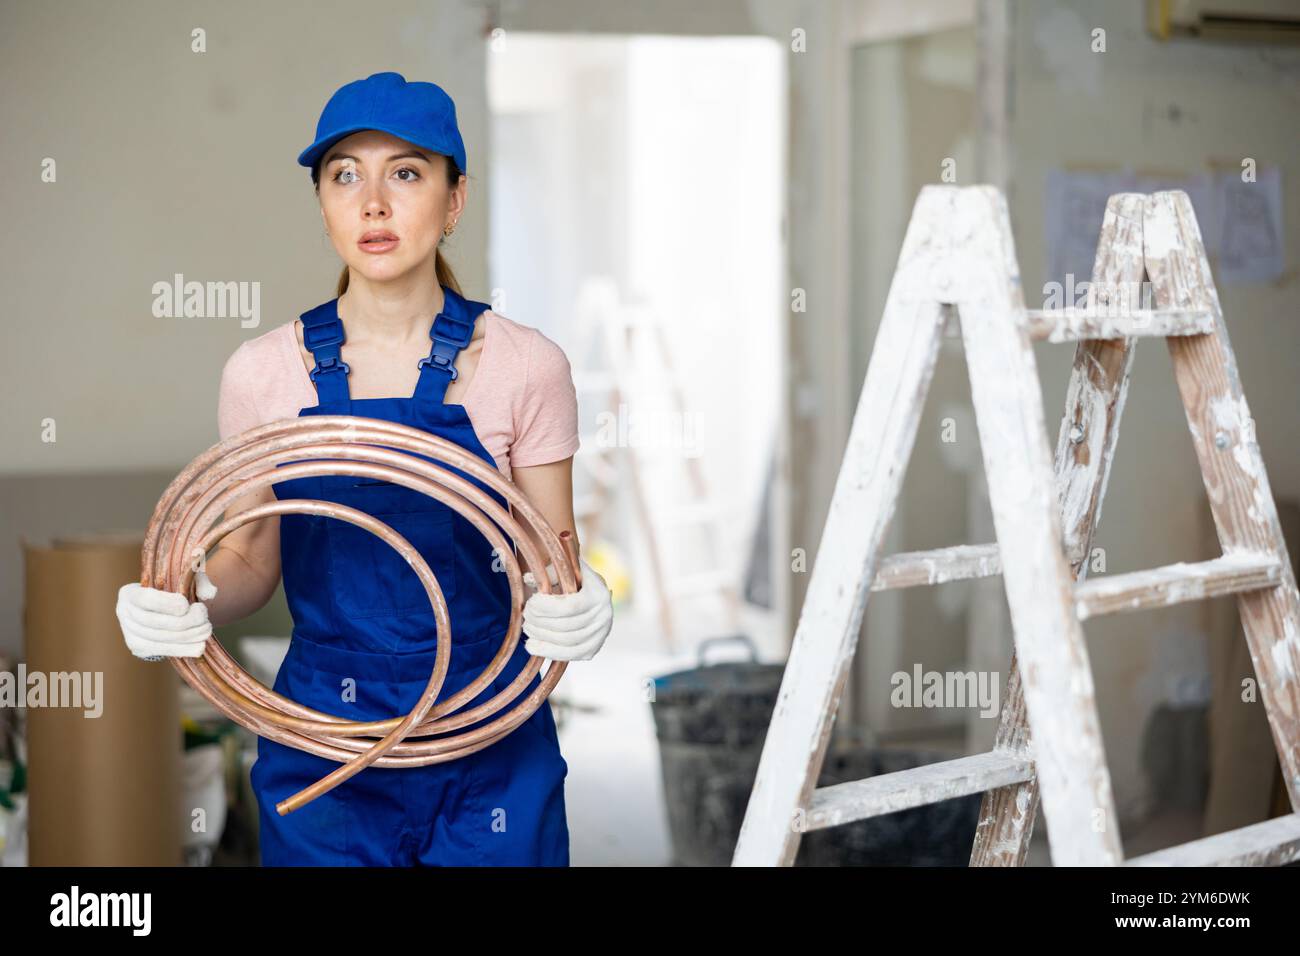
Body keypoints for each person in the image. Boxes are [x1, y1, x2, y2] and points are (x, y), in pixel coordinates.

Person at [114, 72, 613, 866]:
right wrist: (187, 596)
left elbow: (547, 557)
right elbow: (250, 558)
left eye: (406, 173)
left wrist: (578, 603)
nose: (373, 203)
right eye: (345, 175)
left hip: (489, 738)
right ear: (323, 203)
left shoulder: (526, 366)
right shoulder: (263, 372)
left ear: (455, 201)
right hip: (325, 740)